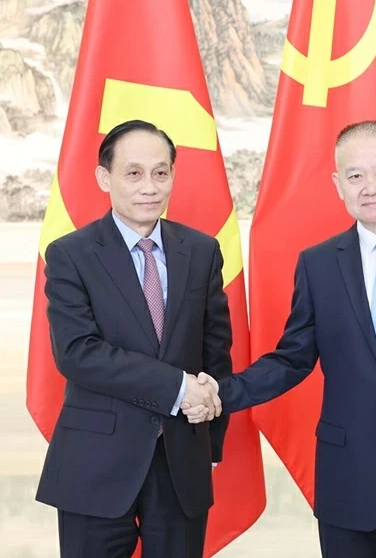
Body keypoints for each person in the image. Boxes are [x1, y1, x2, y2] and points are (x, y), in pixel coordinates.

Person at [186, 120, 376, 558]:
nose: (370, 186)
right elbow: (291, 360)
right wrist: (222, 391)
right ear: (339, 185)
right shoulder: (318, 266)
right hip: (347, 480)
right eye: (355, 176)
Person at [36, 119, 232, 558]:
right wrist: (178, 388)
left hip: (182, 459)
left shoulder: (201, 251)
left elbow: (215, 353)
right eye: (134, 173)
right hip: (96, 461)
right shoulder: (70, 255)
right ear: (104, 178)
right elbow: (77, 353)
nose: (149, 187)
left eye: (161, 173)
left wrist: (211, 441)